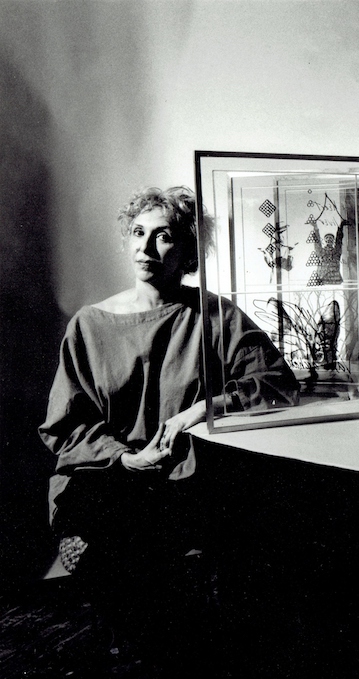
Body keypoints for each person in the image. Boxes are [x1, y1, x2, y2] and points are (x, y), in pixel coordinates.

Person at [39, 185, 300, 579]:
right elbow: (65, 426)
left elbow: (278, 383)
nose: (146, 247)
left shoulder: (213, 315)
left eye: (163, 236)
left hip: (187, 480)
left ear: (188, 252)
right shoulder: (89, 325)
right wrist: (126, 458)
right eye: (138, 233)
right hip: (112, 478)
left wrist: (200, 410)